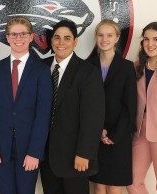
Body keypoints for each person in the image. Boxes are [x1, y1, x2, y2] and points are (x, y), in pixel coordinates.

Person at [0, 16, 52, 194]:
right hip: (0, 147)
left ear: (31, 37)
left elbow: (43, 115)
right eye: (13, 34)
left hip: (29, 149)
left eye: (23, 34)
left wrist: (35, 152)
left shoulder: (41, 71)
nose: (18, 38)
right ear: (7, 37)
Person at [40, 20, 105, 194]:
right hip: (46, 156)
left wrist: (85, 153)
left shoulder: (88, 72)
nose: (61, 43)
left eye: (67, 38)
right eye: (57, 38)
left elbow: (93, 117)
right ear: (51, 41)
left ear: (75, 42)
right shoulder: (41, 67)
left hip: (75, 156)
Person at [87, 19, 137, 194]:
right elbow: (85, 104)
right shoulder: (88, 65)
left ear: (117, 38)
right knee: (98, 187)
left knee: (114, 187)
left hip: (118, 137)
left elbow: (130, 106)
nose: (104, 39)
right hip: (94, 137)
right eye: (100, 35)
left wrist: (114, 134)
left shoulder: (127, 68)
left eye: (109, 35)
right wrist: (96, 129)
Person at [127, 21, 157, 194]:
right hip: (140, 132)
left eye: (156, 39)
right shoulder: (137, 67)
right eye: (146, 39)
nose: (150, 44)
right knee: (132, 181)